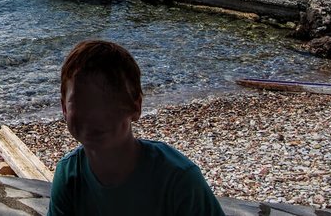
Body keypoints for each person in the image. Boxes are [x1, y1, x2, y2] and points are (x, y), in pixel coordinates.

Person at [48, 40, 225, 215]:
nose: (96, 114)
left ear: (136, 107)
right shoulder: (68, 176)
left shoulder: (178, 178)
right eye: (81, 101)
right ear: (64, 108)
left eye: (108, 101)